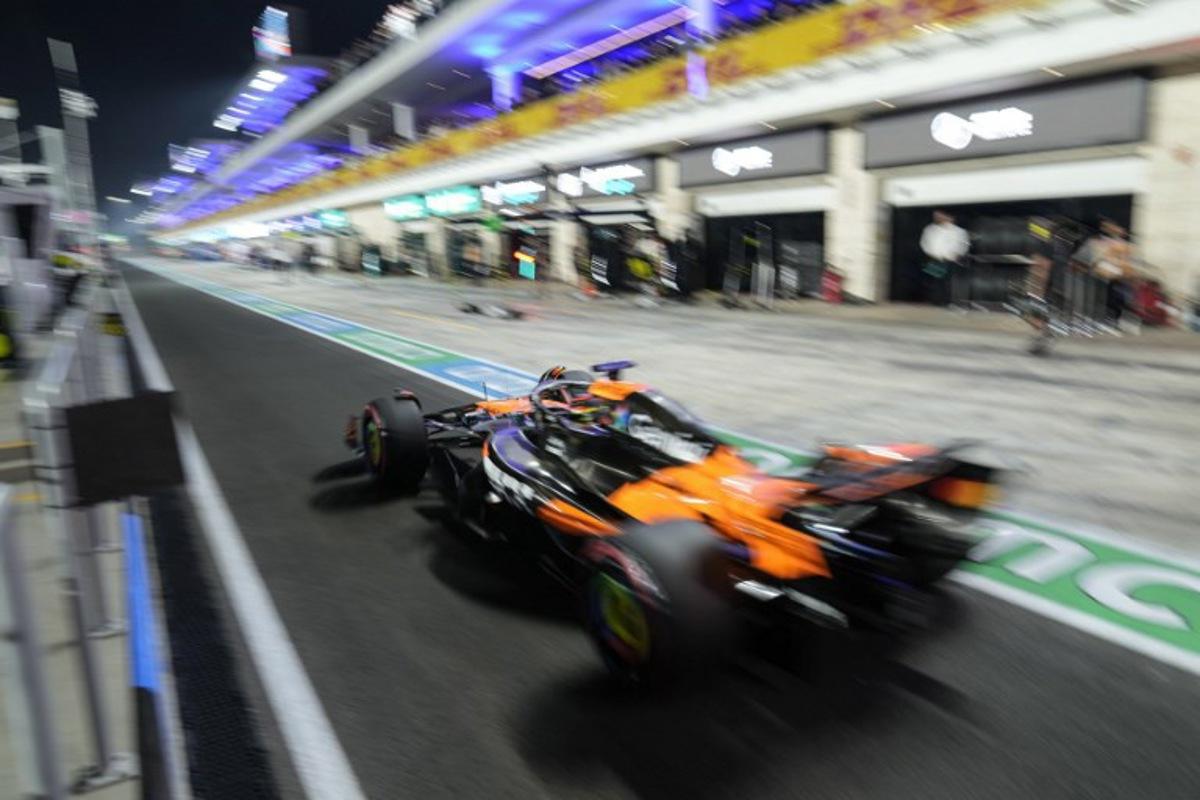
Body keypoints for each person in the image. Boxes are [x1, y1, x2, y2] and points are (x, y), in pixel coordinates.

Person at [919, 210, 969, 306]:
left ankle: (946, 302)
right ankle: (935, 301)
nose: (938, 217)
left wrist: (957, 254)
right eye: (936, 216)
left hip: (950, 260)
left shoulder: (959, 231)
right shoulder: (931, 229)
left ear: (949, 217)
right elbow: (924, 243)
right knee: (934, 281)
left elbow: (964, 245)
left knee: (947, 282)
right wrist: (931, 253)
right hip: (935, 259)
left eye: (940, 215)